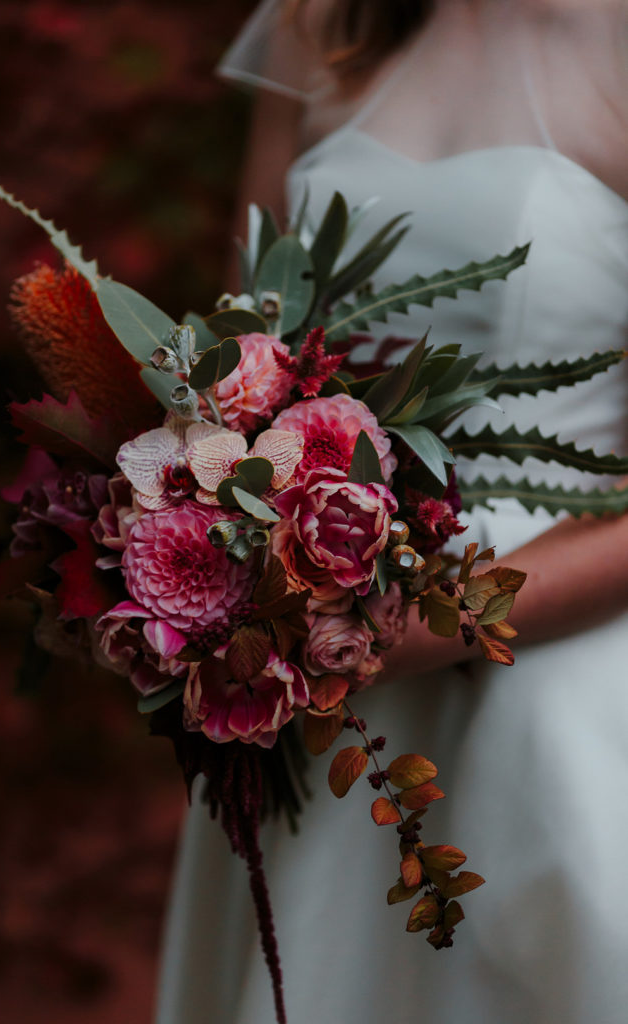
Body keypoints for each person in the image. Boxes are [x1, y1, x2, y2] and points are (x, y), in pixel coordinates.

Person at [155, 2, 628, 1021]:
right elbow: (235, 366)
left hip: (554, 654)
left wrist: (417, 624)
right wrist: (186, 552)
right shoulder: (320, 21)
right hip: (312, 664)